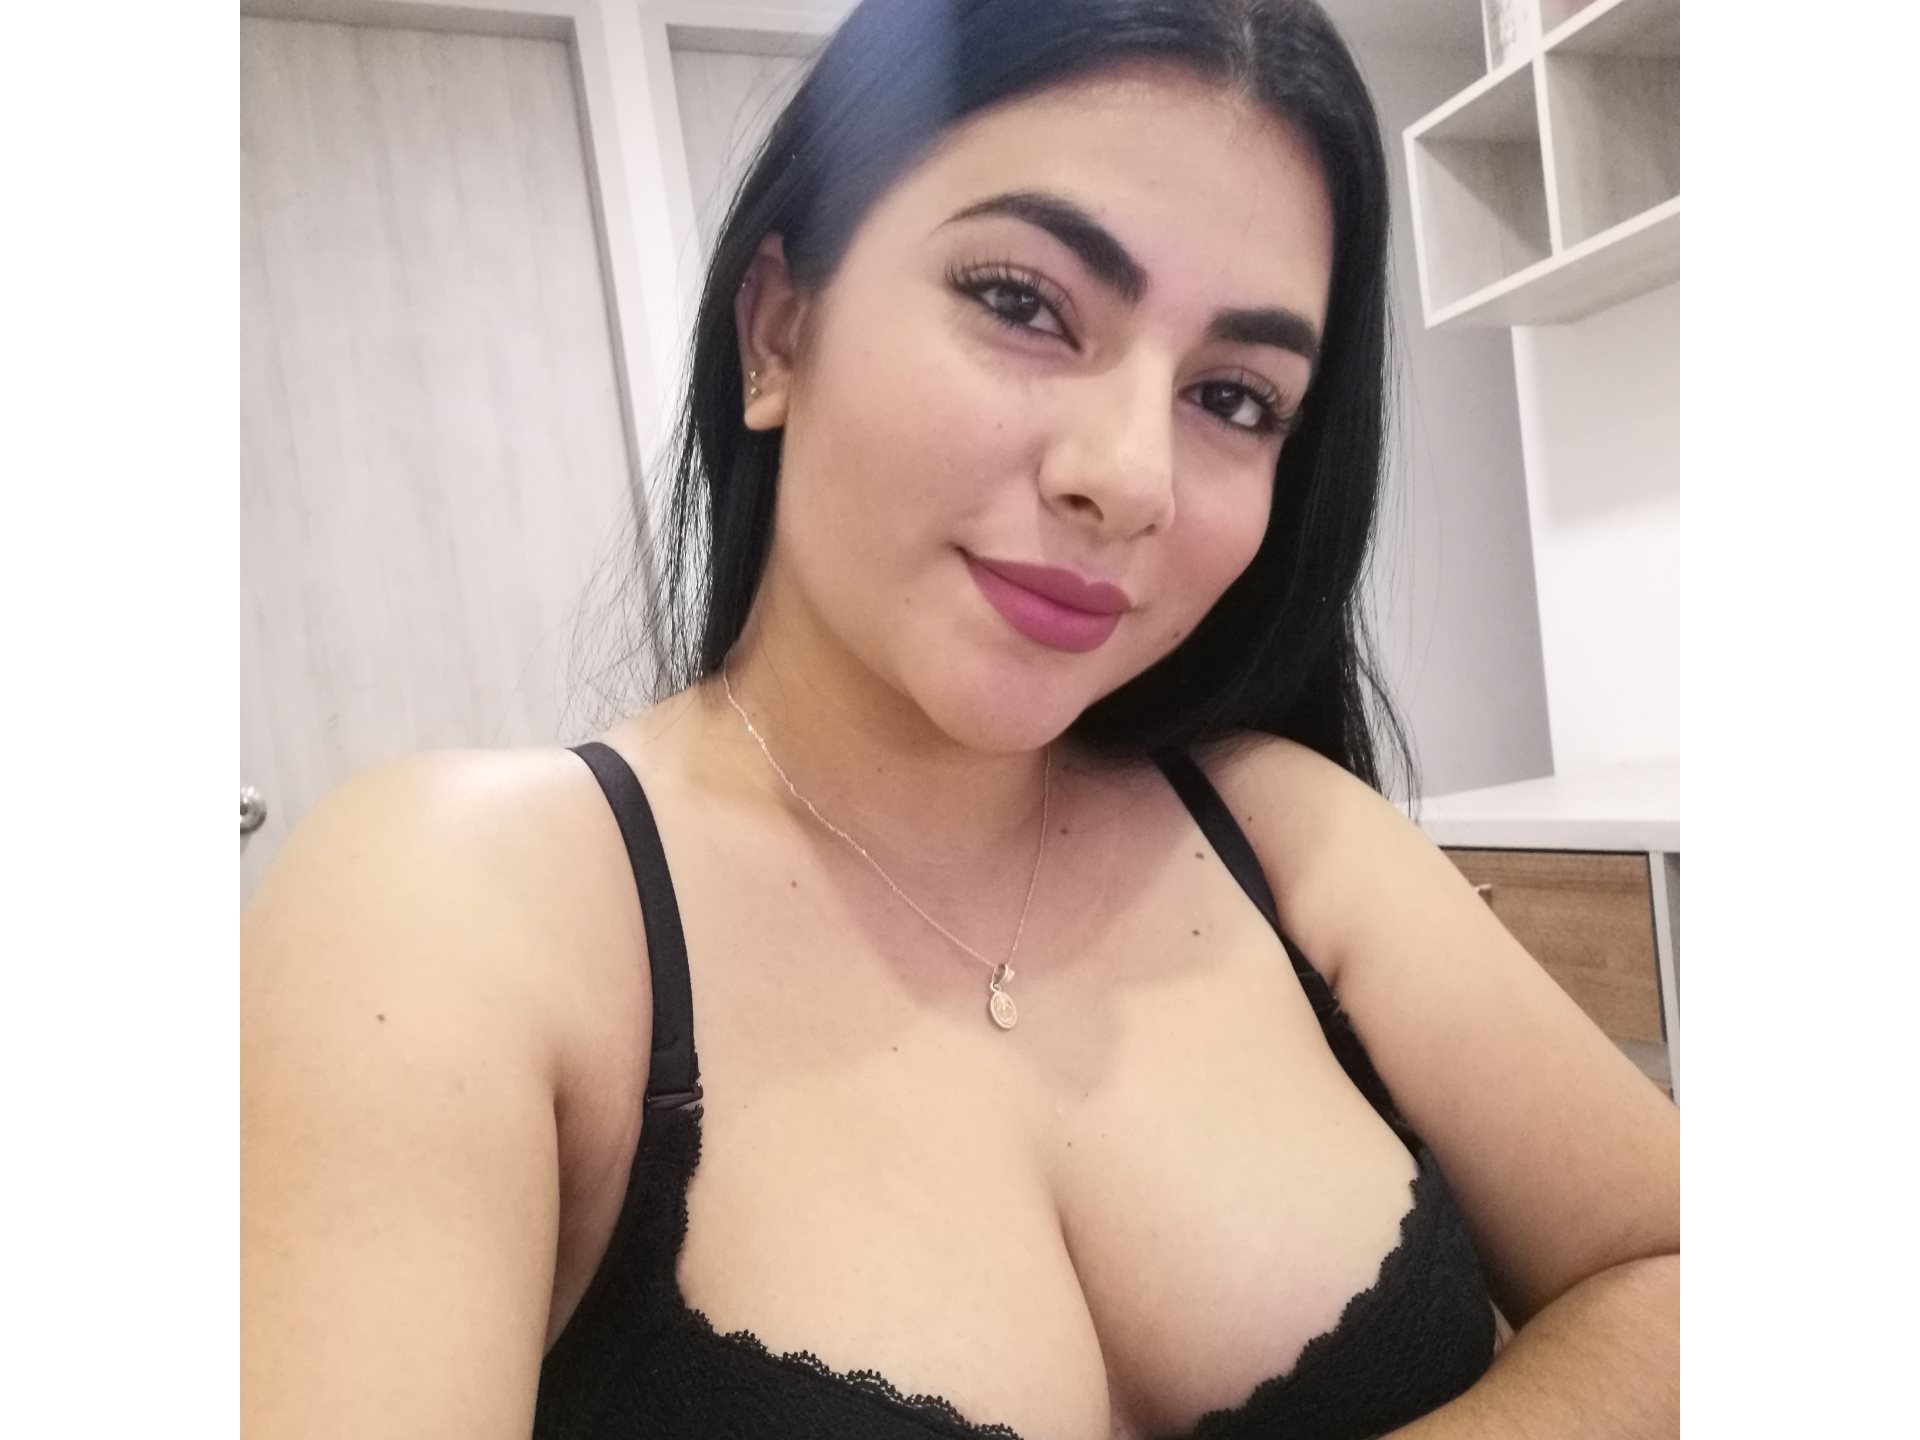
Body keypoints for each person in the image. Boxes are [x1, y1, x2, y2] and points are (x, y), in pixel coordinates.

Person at [241, 1, 1680, 1436]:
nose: (1131, 477)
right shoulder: (463, 903)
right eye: (1022, 302)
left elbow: (1675, 1274)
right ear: (778, 329)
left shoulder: (1282, 829)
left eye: (1235, 398)